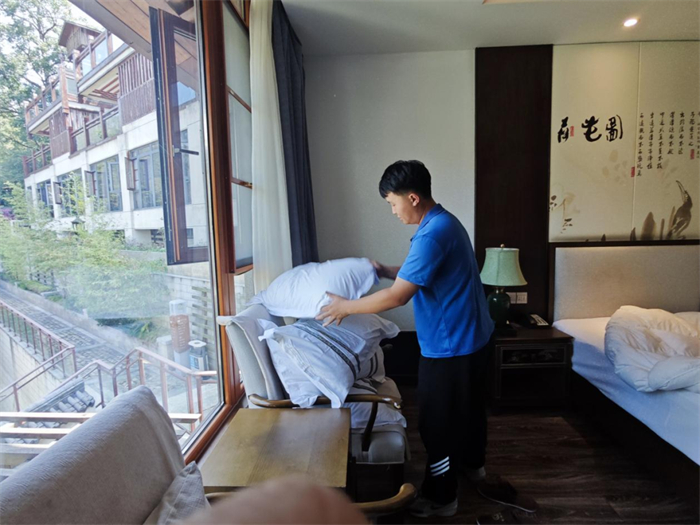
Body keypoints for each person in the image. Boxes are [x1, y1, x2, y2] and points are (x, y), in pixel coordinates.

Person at [317, 160, 494, 518]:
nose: (393, 211)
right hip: (475, 339)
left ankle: (442, 500)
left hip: (450, 348)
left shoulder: (431, 235)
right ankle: (473, 467)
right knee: (470, 411)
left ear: (413, 197)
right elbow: (422, 273)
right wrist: (386, 270)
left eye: (392, 203)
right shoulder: (444, 222)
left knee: (437, 425)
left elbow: (399, 296)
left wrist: (345, 307)